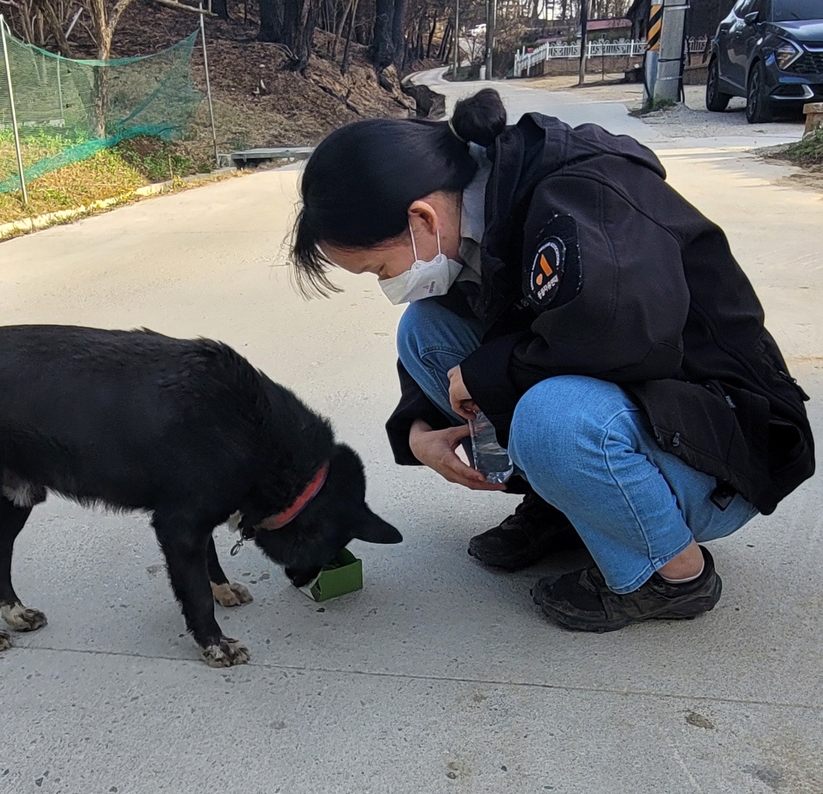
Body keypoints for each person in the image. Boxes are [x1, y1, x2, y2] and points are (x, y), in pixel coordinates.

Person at [288, 89, 814, 632]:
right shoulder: (482, 209)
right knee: (425, 328)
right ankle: (570, 509)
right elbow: (472, 324)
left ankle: (672, 576)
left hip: (722, 449)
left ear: (422, 218)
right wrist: (419, 426)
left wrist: (488, 375)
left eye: (380, 269)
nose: (389, 284)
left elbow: (627, 338)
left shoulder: (581, 196)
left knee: (550, 418)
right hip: (654, 415)